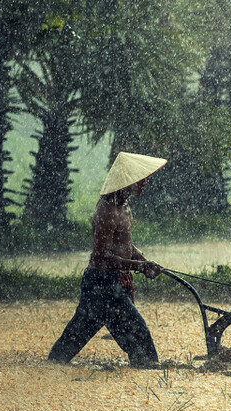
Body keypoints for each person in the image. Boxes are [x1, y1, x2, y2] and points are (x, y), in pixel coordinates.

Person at [48, 152, 168, 367]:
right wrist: (139, 266)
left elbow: (125, 245)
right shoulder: (107, 211)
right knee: (138, 335)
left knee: (77, 333)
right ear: (128, 181)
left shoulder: (124, 206)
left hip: (111, 284)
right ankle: (149, 368)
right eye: (141, 179)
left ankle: (54, 363)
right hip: (102, 283)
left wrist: (144, 261)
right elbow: (101, 256)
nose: (145, 183)